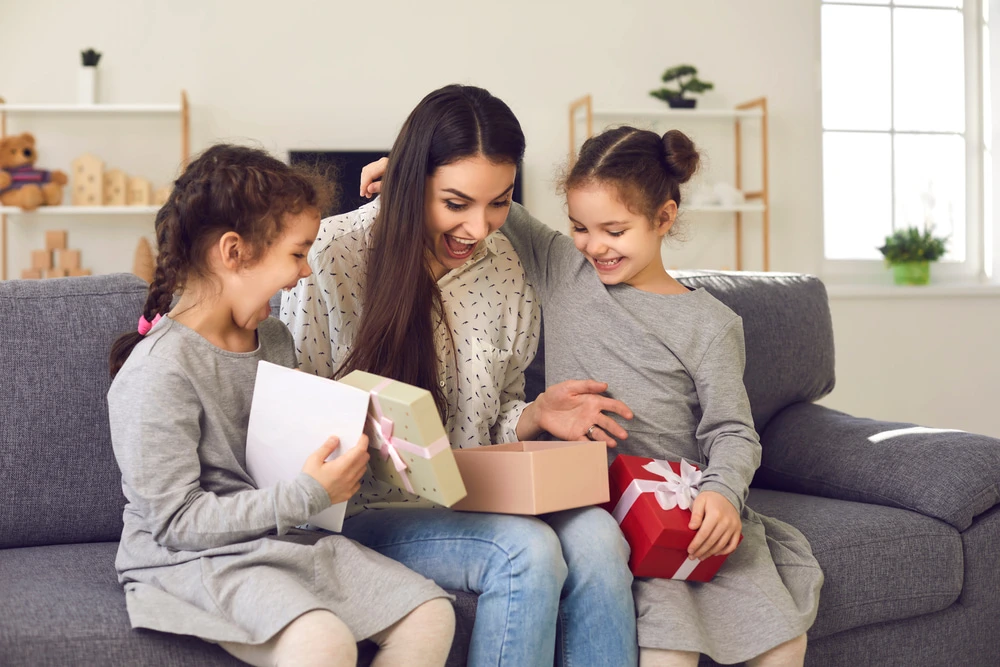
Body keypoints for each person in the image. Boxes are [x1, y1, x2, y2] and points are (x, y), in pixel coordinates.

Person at [282, 85, 638, 667]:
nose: (480, 227)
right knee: (526, 551)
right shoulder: (327, 256)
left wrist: (532, 417)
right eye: (456, 203)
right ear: (411, 182)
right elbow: (293, 418)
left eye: (498, 203)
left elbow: (494, 414)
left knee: (598, 538)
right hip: (360, 513)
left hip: (473, 496)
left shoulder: (505, 268)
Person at [484, 126, 823, 666]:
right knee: (669, 644)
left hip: (682, 505)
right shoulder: (564, 270)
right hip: (600, 506)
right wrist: (411, 174)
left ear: (663, 218)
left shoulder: (709, 324)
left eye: (614, 230)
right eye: (579, 227)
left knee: (783, 638)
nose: (594, 245)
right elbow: (491, 204)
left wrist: (722, 493)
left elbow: (732, 430)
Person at [107, 144, 455, 667]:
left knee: (430, 612)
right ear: (234, 252)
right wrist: (309, 493)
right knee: (323, 641)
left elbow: (283, 449)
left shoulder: (272, 339)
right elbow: (175, 522)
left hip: (278, 536)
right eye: (297, 253)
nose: (306, 273)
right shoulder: (159, 370)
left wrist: (357, 439)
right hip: (188, 556)